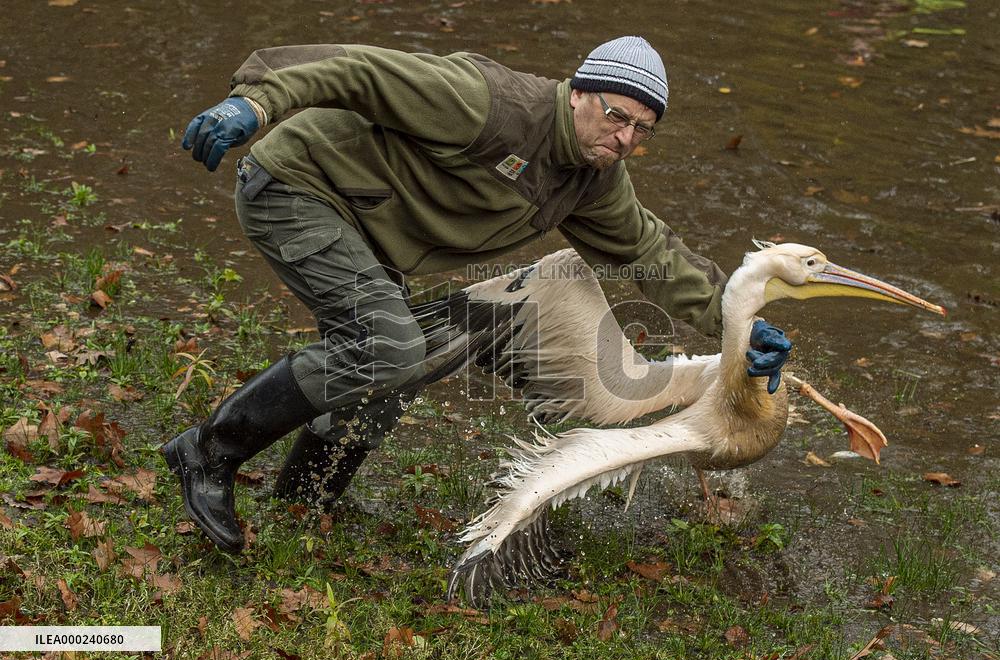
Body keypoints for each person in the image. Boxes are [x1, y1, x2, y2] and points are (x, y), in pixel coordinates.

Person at [164, 36, 792, 553]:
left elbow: (651, 251)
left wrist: (736, 324)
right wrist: (253, 104)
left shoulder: (594, 181)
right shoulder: (491, 105)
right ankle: (209, 451)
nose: (625, 137)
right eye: (616, 115)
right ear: (578, 95)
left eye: (641, 129)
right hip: (298, 187)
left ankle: (308, 492)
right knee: (388, 346)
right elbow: (356, 71)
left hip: (369, 227)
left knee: (404, 358)